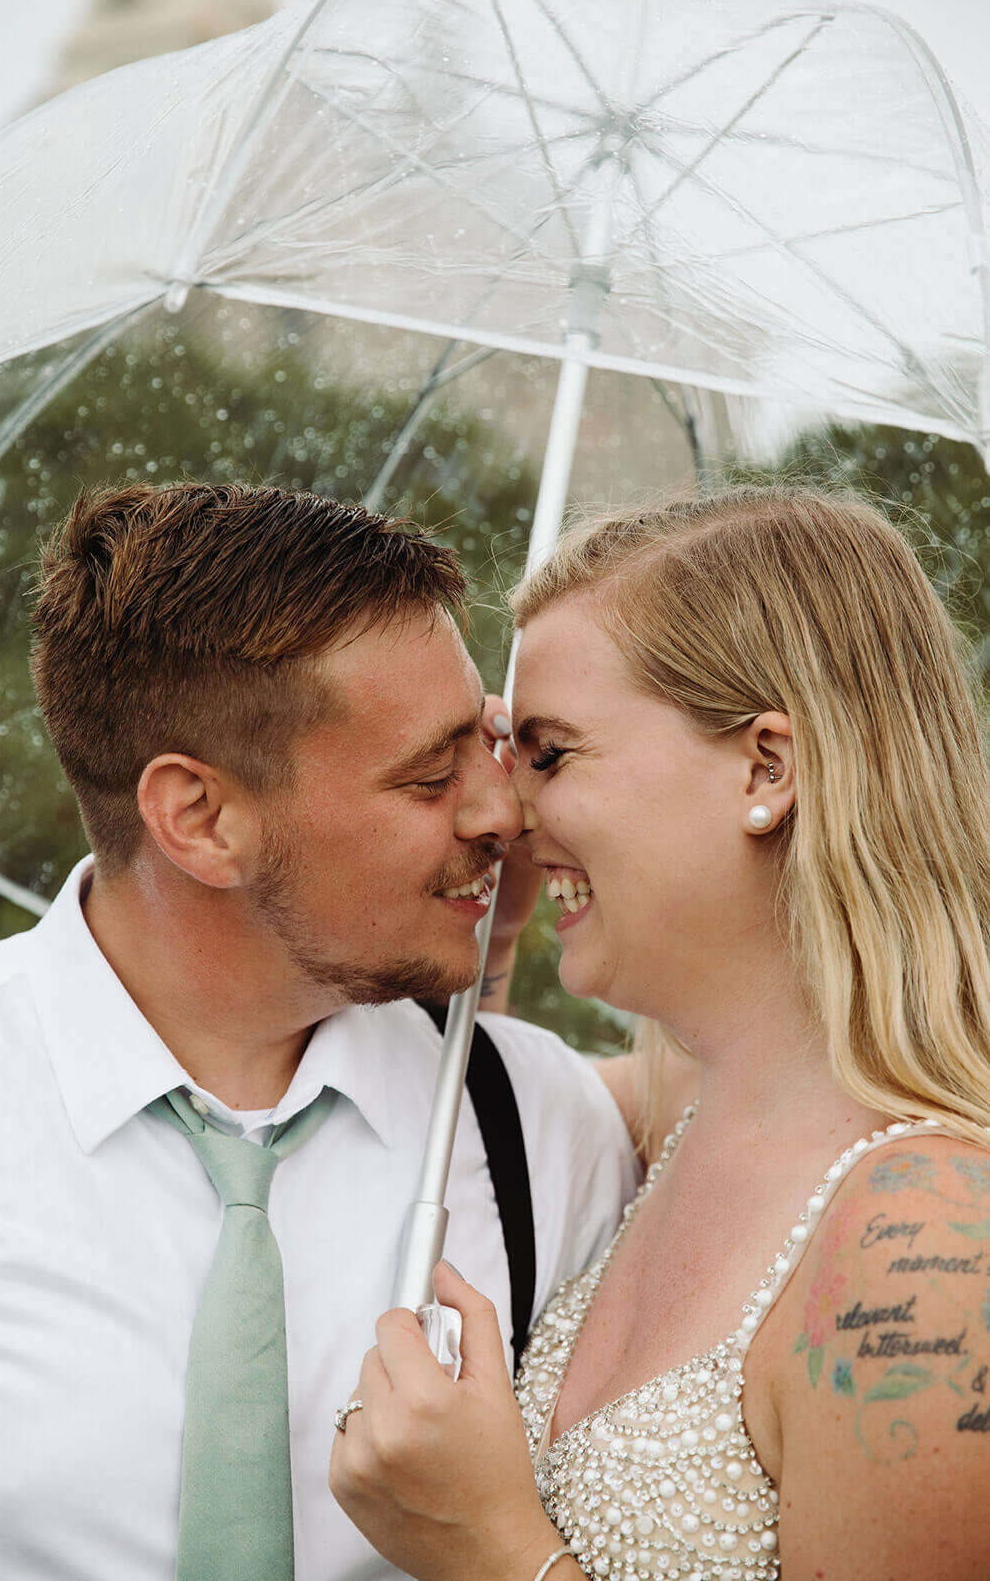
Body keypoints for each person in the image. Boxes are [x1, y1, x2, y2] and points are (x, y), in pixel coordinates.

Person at [0, 481, 637, 1581]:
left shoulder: (542, 1128)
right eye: (426, 773)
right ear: (200, 817)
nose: (502, 812)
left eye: (484, 743)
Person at [331, 485, 990, 1581]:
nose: (507, 810)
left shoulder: (925, 1251)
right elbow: (453, 1112)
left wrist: (490, 1549)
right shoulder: (678, 1118)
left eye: (549, 755)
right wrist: (472, 933)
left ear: (765, 768)